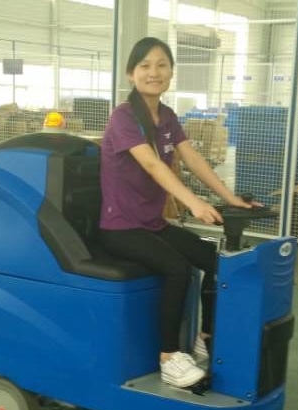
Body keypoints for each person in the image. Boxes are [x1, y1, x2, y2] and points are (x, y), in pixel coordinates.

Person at [99, 37, 253, 389]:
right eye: (145, 66)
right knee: (177, 268)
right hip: (121, 227)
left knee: (216, 262)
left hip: (152, 224)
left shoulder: (166, 116)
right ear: (131, 74)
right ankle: (169, 357)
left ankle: (205, 337)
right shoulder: (123, 117)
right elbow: (153, 165)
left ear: (171, 71)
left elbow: (192, 159)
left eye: (162, 65)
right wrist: (194, 203)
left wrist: (230, 198)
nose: (154, 72)